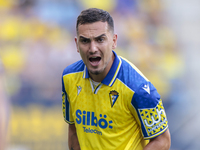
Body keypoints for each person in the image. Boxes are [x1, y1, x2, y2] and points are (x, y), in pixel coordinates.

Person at [62, 8, 171, 150]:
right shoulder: (69, 78)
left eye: (100, 39)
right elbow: (73, 130)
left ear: (114, 41)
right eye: (85, 41)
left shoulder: (138, 89)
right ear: (77, 44)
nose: (93, 48)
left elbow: (162, 141)